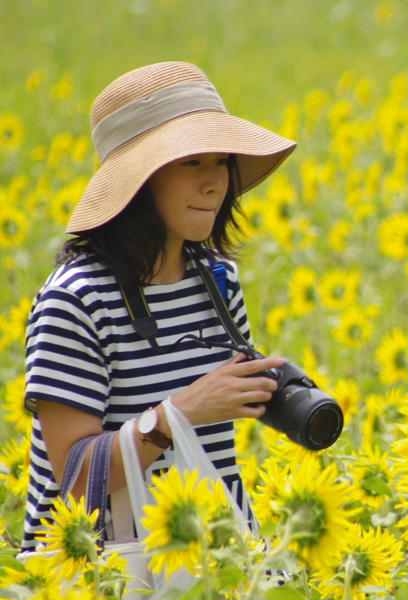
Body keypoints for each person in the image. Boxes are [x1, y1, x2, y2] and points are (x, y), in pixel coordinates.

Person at [21, 61, 297, 551]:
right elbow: (76, 482)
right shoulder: (77, 301)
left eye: (221, 161)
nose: (215, 182)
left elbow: (215, 456)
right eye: (192, 162)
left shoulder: (217, 280)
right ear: (139, 181)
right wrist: (178, 415)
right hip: (99, 580)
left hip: (205, 564)